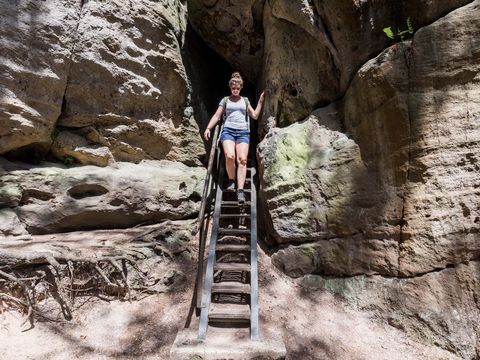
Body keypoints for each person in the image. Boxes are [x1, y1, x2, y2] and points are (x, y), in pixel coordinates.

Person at [204, 72, 265, 203]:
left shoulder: (245, 100)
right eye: (233, 88)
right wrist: (208, 128)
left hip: (243, 132)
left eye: (237, 88)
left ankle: (240, 191)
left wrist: (260, 102)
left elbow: (254, 115)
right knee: (230, 156)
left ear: (241, 88)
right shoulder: (225, 100)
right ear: (230, 87)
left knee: (242, 160)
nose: (235, 90)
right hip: (228, 131)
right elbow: (217, 116)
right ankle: (232, 180)